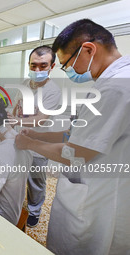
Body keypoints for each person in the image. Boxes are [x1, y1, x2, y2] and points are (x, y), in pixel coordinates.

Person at [15, 19, 130, 255]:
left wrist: (31, 142)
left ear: (88, 50)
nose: (69, 72)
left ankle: (35, 211)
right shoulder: (106, 83)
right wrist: (37, 135)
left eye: (67, 64)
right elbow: (76, 132)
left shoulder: (115, 89)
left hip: (98, 199)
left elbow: (76, 153)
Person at [10, 46, 61, 228]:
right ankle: (16, 204)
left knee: (36, 181)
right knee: (17, 175)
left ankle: (34, 211)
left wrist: (15, 120)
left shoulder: (53, 91)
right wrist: (11, 117)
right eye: (33, 66)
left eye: (42, 66)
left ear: (51, 66)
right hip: (20, 140)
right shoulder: (25, 83)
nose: (37, 70)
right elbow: (16, 104)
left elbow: (40, 120)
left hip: (39, 145)